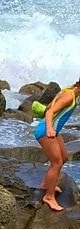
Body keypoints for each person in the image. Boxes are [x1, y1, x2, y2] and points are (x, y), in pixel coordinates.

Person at [34, 79, 80, 211]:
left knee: (64, 157)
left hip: (54, 129)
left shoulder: (72, 91)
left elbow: (49, 107)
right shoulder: (69, 96)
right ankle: (49, 196)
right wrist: (49, 128)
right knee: (57, 162)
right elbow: (50, 112)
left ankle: (46, 184)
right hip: (46, 130)